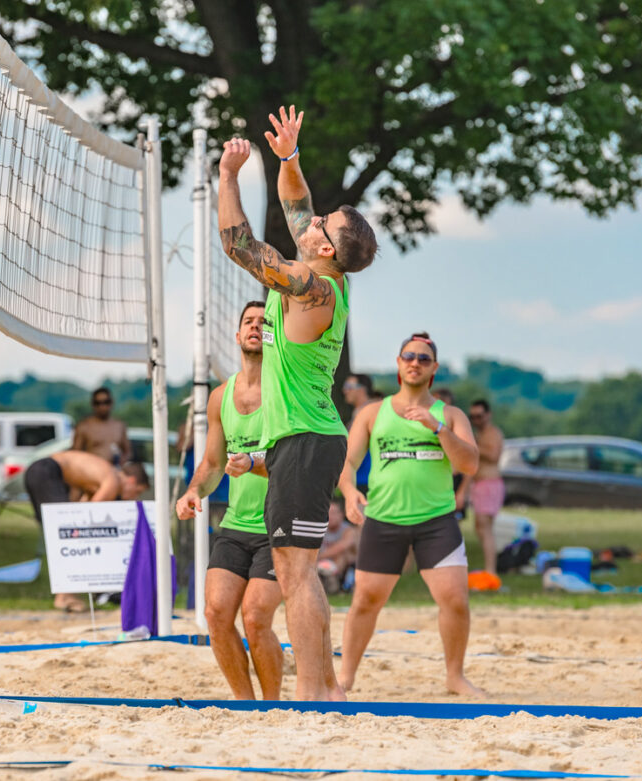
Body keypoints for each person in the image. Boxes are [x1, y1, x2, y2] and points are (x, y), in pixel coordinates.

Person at [218, 106, 378, 700]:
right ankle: (325, 687)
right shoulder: (319, 269)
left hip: (309, 442)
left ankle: (318, 691)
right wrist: (287, 158)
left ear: (328, 250)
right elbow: (295, 203)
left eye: (325, 224)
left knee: (296, 571)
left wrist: (230, 176)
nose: (313, 220)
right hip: (301, 440)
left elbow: (238, 244)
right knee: (294, 570)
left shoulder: (312, 285)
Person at [337, 332, 483, 697]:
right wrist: (350, 491)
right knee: (365, 601)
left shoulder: (449, 415)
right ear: (398, 364)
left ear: (433, 369)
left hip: (436, 521)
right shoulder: (373, 412)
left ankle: (454, 677)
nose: (415, 362)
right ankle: (346, 677)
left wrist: (436, 429)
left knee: (455, 599)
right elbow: (347, 461)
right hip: (384, 519)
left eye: (423, 358)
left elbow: (470, 463)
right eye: (409, 356)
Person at [176, 301, 283, 700]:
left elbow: (299, 465)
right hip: (237, 526)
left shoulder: (289, 393)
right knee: (216, 615)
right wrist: (192, 492)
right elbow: (211, 463)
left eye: (263, 323)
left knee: (255, 618)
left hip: (280, 527)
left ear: (274, 336)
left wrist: (255, 462)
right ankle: (245, 704)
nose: (255, 327)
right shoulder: (221, 397)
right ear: (238, 337)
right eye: (248, 322)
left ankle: (272, 708)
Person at [24, 451, 149, 612]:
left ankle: (65, 594)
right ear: (131, 481)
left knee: (61, 535)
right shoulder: (112, 482)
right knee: (65, 535)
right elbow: (87, 516)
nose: (133, 497)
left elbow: (82, 508)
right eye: (137, 491)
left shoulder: (103, 478)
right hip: (46, 471)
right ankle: (64, 596)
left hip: (39, 470)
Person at [469, 399, 505, 575]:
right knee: (481, 528)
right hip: (480, 484)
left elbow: (493, 455)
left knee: (485, 528)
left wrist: (474, 444)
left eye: (479, 416)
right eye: (473, 417)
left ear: (488, 415)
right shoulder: (480, 435)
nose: (476, 420)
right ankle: (489, 568)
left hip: (489, 485)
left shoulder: (493, 433)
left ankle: (491, 570)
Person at [434, 388, 470, 521]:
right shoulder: (425, 425)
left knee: (450, 526)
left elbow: (468, 463)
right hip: (432, 483)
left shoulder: (458, 428)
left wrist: (461, 492)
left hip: (452, 482)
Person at [73, 387, 130, 466]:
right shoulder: (84, 426)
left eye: (106, 402)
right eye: (98, 403)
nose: (102, 406)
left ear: (111, 403)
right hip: (93, 473)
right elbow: (75, 455)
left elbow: (128, 452)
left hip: (114, 472)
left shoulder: (119, 426)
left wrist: (121, 461)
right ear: (93, 405)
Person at [316, 496, 359, 595]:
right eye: (328, 512)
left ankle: (333, 581)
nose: (330, 516)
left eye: (334, 513)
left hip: (340, 567)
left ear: (341, 515)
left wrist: (318, 557)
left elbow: (343, 545)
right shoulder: (319, 528)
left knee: (343, 554)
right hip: (319, 564)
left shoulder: (348, 530)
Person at [343, 374, 374, 493]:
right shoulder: (359, 413)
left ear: (362, 388)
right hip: (359, 477)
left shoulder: (369, 412)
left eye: (349, 386)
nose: (345, 390)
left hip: (366, 479)